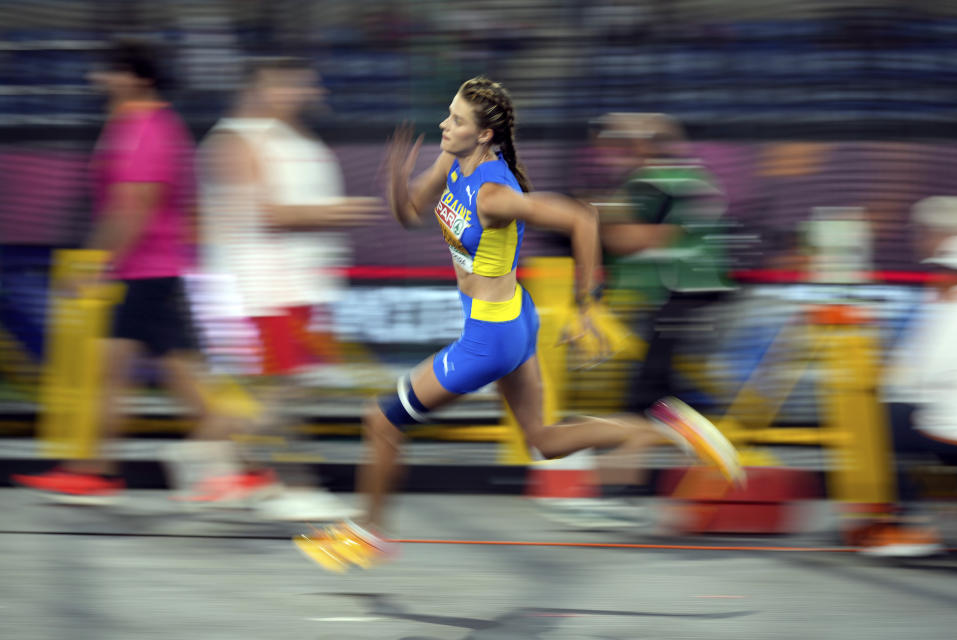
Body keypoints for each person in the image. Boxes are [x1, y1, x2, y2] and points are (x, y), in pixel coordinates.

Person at [294, 77, 743, 572]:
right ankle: (673, 430)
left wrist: (586, 306)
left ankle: (366, 535)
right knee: (545, 441)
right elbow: (410, 213)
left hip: (490, 338)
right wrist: (396, 181)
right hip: (512, 316)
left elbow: (583, 219)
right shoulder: (454, 160)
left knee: (380, 420)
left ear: (484, 134)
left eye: (457, 120)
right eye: (448, 113)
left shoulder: (493, 193)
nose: (445, 125)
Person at [13, 40, 221, 501]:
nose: (99, 79)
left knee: (154, 375)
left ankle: (104, 470)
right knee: (131, 373)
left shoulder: (146, 127)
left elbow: (136, 206)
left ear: (139, 78)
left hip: (146, 270)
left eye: (111, 71)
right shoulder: (141, 124)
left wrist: (93, 263)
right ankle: (97, 469)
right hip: (148, 269)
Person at [188, 57, 381, 519]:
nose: (307, 93)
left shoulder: (295, 138)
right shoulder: (236, 139)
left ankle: (226, 467)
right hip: (257, 288)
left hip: (299, 287)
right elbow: (267, 214)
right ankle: (286, 484)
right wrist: (339, 212)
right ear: (266, 87)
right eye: (295, 84)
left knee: (278, 391)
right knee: (274, 391)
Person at [594, 112, 734, 416]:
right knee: (656, 368)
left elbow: (630, 237)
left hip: (682, 289)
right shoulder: (689, 176)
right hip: (682, 288)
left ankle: (658, 415)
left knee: (651, 381)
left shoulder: (656, 180)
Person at [855, 197, 957, 556]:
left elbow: (929, 365)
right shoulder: (944, 291)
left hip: (948, 420)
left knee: (881, 421)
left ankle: (905, 526)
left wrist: (888, 383)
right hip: (945, 412)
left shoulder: (948, 290)